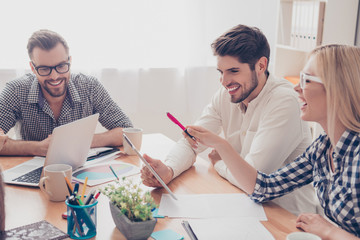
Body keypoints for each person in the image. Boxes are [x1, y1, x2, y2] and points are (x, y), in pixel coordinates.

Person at [185, 44, 360, 239]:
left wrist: (328, 230)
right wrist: (221, 145)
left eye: (307, 80)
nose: (297, 87)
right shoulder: (322, 148)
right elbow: (264, 188)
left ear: (338, 89)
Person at [141, 24, 318, 215]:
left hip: (288, 217)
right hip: (246, 206)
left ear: (261, 65)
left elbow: (253, 179)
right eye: (221, 72)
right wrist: (168, 170)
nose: (224, 82)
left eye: (233, 71)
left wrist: (219, 163)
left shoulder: (284, 101)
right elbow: (191, 141)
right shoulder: (228, 94)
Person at [0, 29, 133, 156]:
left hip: (79, 170)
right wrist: (38, 148)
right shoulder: (16, 91)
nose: (55, 76)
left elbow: (127, 131)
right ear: (33, 68)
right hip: (31, 170)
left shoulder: (89, 87)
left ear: (69, 61)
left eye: (61, 66)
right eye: (44, 69)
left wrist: (79, 141)